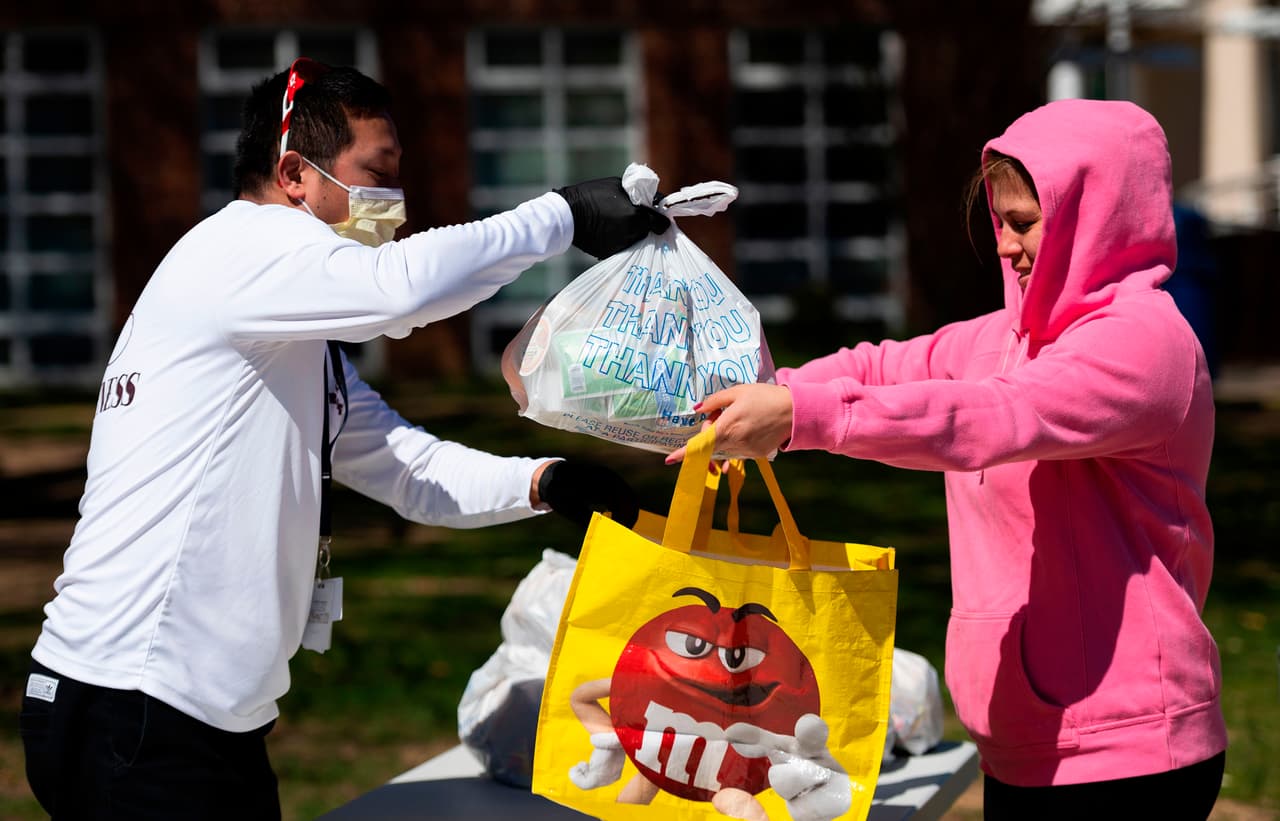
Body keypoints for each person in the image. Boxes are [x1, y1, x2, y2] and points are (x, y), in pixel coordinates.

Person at [20, 57, 666, 820]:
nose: (393, 202)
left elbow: (402, 465)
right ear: (295, 172)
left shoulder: (285, 337)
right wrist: (561, 216)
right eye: (375, 173)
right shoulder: (243, 248)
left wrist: (543, 482)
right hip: (135, 707)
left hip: (175, 715)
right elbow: (400, 291)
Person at [668, 99, 1227, 818]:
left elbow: (995, 417)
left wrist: (801, 419)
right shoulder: (1001, 339)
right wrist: (761, 395)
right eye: (1001, 221)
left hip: (1128, 751)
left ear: (1096, 220)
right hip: (1031, 741)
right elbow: (884, 369)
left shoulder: (1145, 347)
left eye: (1024, 222)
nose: (1003, 245)